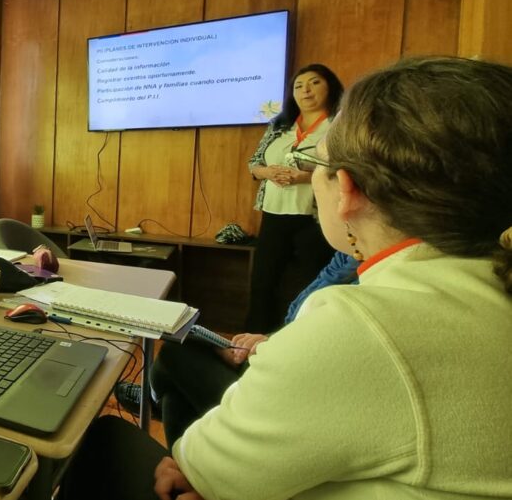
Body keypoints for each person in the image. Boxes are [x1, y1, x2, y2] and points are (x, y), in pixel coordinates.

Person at [62, 56, 512, 499]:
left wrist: (201, 470)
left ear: (347, 189)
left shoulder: (360, 324)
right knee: (184, 356)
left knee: (107, 441)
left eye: (319, 167)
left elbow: (213, 462)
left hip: (249, 467)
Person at [116, 251, 359, 447]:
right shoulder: (352, 254)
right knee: (182, 363)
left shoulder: (366, 289)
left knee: (174, 357)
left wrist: (269, 346)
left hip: (289, 401)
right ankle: (186, 471)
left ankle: (152, 399)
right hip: (279, 357)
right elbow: (298, 315)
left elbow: (319, 345)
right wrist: (264, 339)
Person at [245, 63, 344, 332]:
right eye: (298, 86)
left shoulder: (339, 123)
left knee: (310, 280)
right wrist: (267, 172)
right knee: (263, 280)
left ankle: (300, 337)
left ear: (330, 87)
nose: (306, 90)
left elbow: (346, 165)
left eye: (314, 83)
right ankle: (254, 338)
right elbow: (254, 164)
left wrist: (306, 175)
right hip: (275, 212)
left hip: (315, 216)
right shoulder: (279, 124)